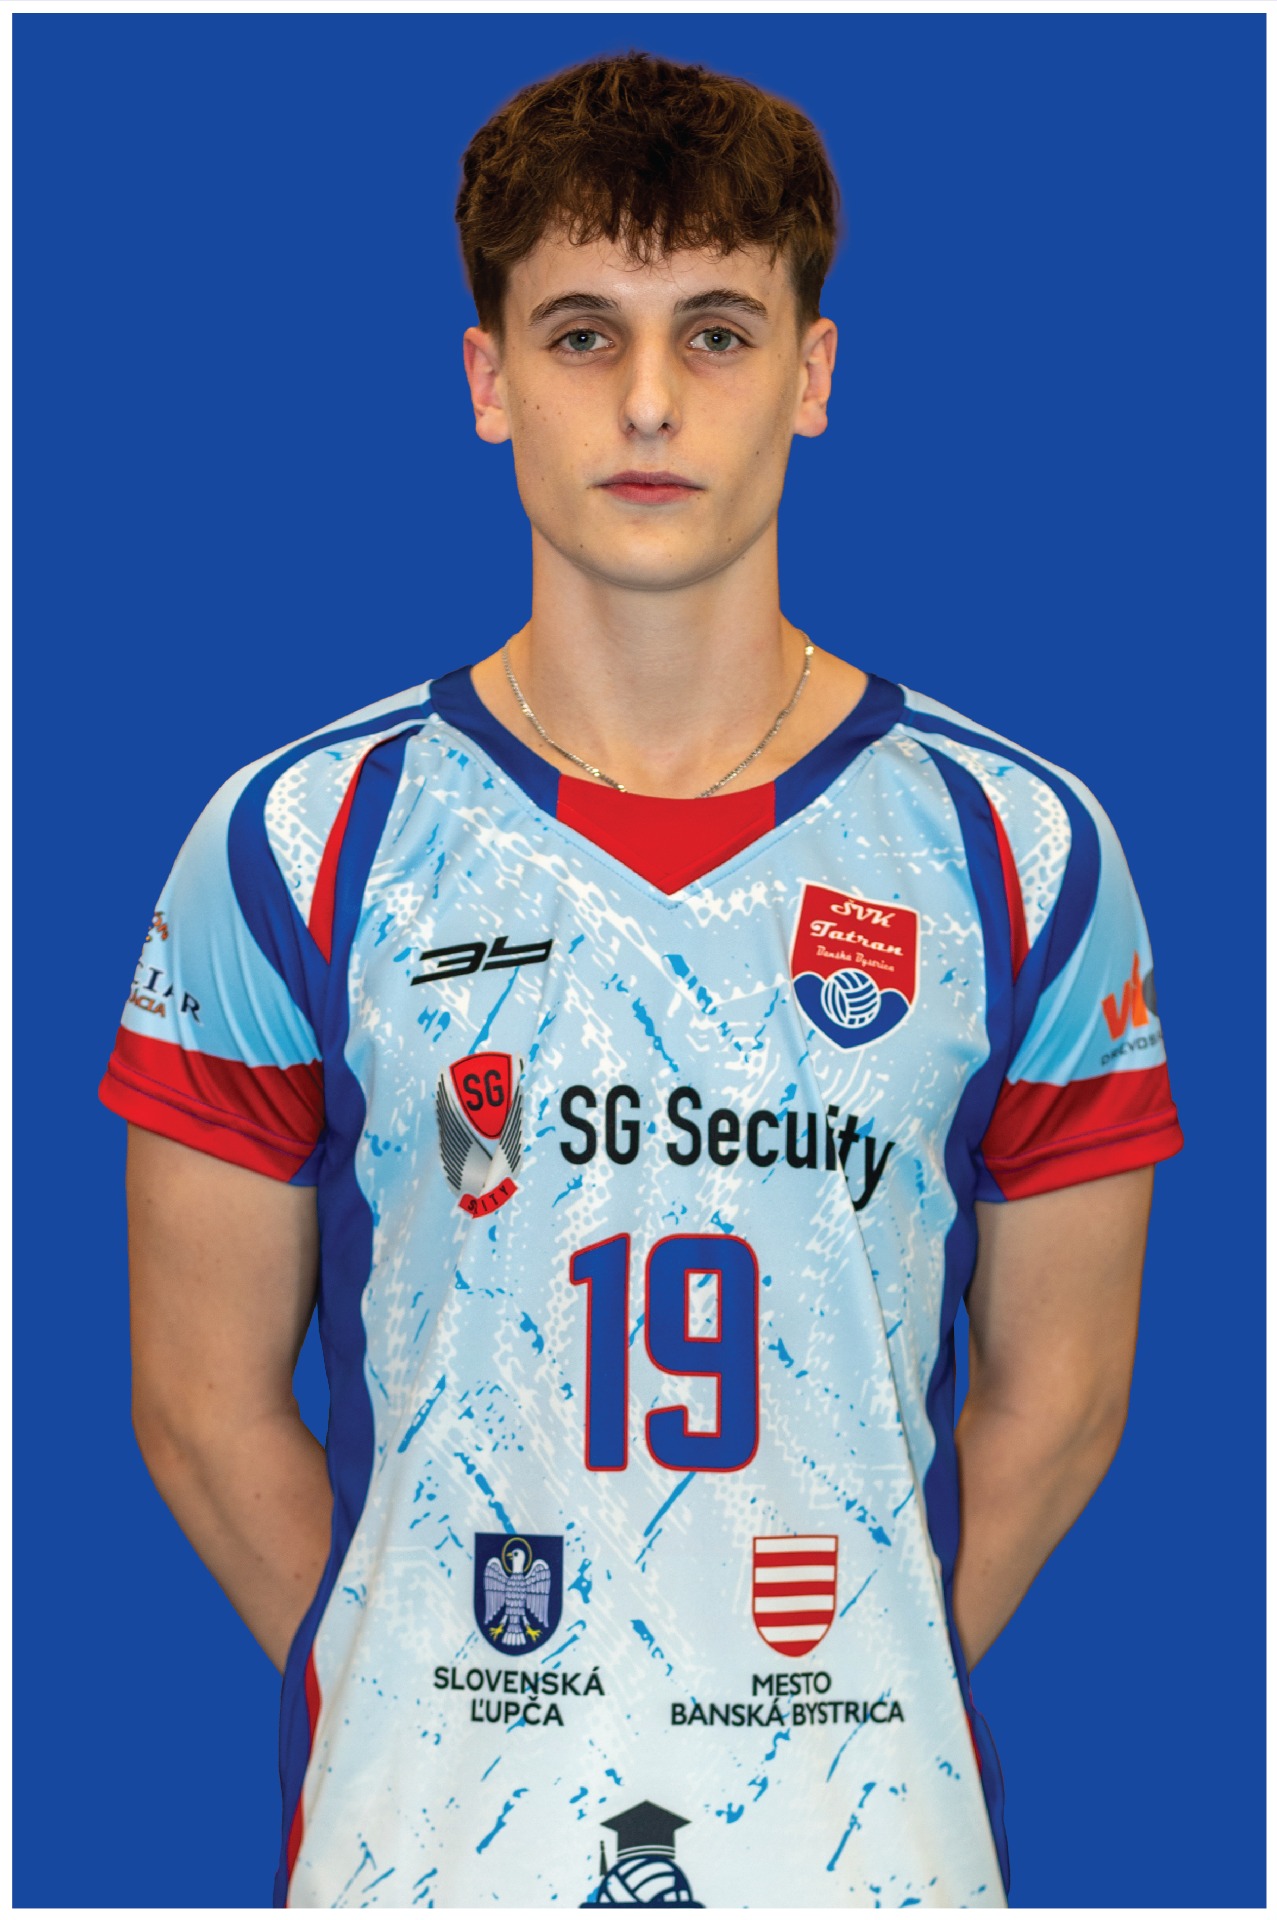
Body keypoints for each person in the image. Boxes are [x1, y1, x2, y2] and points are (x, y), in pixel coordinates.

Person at [99, 50, 1183, 1910]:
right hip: (427, 1854)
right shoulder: (299, 840)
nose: (652, 400)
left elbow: (1065, 1394)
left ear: (813, 375)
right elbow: (200, 1402)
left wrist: (840, 1675)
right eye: (584, 334)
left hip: (865, 1853)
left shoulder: (1015, 847)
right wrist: (423, 1676)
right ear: (488, 380)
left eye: (719, 333)